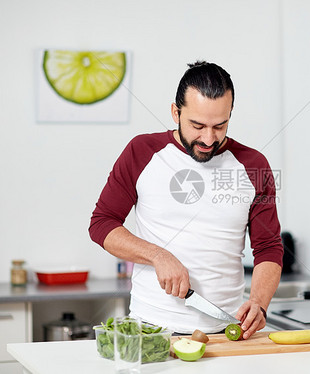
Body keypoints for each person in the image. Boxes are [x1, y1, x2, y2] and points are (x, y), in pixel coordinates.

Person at [89, 61, 283, 339]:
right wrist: (157, 255)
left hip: (225, 332)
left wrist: (259, 303)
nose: (208, 138)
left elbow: (269, 247)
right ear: (175, 112)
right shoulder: (141, 151)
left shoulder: (254, 165)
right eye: (197, 125)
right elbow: (102, 224)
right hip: (150, 330)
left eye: (220, 125)